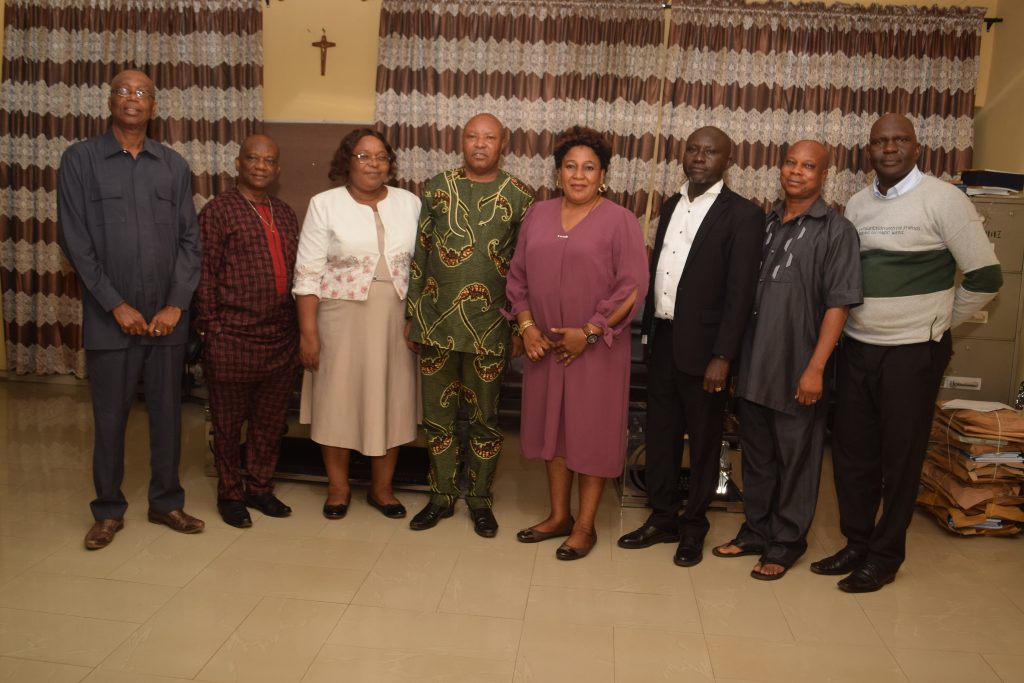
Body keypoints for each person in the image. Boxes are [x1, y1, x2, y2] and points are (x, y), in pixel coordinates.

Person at [810, 114, 1002, 593]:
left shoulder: (945, 200)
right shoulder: (856, 204)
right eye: (880, 142)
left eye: (899, 140)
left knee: (900, 458)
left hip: (914, 354)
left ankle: (885, 555)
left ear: (917, 148)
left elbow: (986, 278)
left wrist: (937, 322)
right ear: (869, 152)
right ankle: (856, 542)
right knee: (853, 455)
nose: (889, 148)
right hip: (857, 347)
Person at [57, 69, 204, 550]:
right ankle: (107, 511)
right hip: (109, 319)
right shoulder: (80, 161)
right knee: (110, 418)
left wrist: (175, 305)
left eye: (142, 93)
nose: (132, 99)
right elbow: (76, 242)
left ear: (154, 106)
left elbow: (189, 243)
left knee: (167, 416)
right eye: (123, 91)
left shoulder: (174, 167)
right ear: (110, 101)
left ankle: (166, 502)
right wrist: (114, 304)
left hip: (166, 322)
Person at [713, 141, 862, 580]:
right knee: (757, 457)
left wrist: (816, 368)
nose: (797, 172)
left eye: (808, 166)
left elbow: (839, 305)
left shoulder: (837, 231)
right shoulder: (765, 222)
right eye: (791, 163)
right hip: (755, 365)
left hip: (799, 368)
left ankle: (786, 542)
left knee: (797, 461)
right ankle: (756, 532)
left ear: (823, 175)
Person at [617, 126, 764, 567]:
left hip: (707, 355)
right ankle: (662, 517)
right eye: (694, 149)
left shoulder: (743, 215)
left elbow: (741, 294)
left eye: (711, 152)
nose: (700, 158)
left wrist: (724, 356)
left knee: (703, 442)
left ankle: (693, 526)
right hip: (662, 341)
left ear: (728, 161)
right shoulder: (671, 203)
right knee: (660, 435)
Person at [506, 126, 648, 559]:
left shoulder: (620, 220)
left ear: (603, 174)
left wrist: (588, 332)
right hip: (545, 348)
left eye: (589, 167)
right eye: (571, 166)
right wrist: (527, 327)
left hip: (596, 350)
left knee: (590, 432)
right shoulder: (538, 215)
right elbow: (518, 277)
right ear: (558, 172)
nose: (579, 175)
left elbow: (631, 288)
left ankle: (584, 525)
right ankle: (557, 516)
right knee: (553, 430)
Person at [404, 113, 534, 537]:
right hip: (437, 326)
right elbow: (421, 254)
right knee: (437, 419)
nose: (480, 144)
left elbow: (524, 269)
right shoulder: (438, 188)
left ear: (503, 144)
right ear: (461, 141)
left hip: (490, 330)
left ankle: (479, 500)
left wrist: (518, 328)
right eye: (472, 136)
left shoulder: (519, 196)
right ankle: (441, 497)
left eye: (489, 137)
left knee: (485, 420)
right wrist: (413, 315)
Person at [294, 129, 421, 520]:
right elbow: (308, 272)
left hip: (395, 319)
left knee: (393, 399)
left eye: (381, 157)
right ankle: (338, 488)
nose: (373, 164)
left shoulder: (410, 203)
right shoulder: (324, 204)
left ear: (390, 163)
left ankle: (383, 490)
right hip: (338, 319)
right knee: (337, 400)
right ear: (347, 161)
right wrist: (308, 332)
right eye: (364, 156)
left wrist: (416, 319)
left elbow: (424, 269)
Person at [195, 134, 300, 528]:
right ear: (238, 163)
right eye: (253, 158)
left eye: (269, 161)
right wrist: (211, 328)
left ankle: (259, 487)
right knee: (226, 423)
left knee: (269, 422)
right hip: (232, 336)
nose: (261, 166)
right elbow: (203, 274)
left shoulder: (286, 213)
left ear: (277, 169)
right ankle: (230, 493)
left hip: (280, 338)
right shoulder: (218, 212)